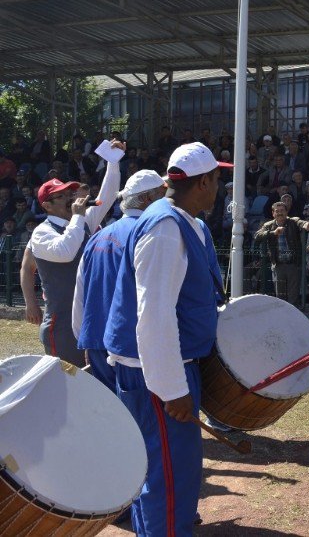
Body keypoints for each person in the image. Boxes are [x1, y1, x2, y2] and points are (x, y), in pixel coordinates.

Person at [104, 142, 230, 536]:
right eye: (218, 178)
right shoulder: (164, 228)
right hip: (156, 374)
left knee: (165, 473)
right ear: (204, 182)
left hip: (164, 368)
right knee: (169, 479)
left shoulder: (180, 220)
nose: (220, 186)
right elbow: (154, 316)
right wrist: (171, 388)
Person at [23, 140, 123, 366]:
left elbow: (107, 197)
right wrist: (78, 217)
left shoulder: (81, 221)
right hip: (62, 325)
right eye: (62, 195)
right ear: (46, 206)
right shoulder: (42, 232)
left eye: (70, 192)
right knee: (67, 387)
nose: (70, 197)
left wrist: (113, 163)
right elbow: (65, 252)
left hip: (91, 317)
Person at [71, 170, 166, 392]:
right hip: (133, 349)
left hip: (97, 341)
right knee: (140, 420)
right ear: (148, 199)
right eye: (163, 194)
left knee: (112, 418)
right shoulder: (152, 234)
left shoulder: (96, 237)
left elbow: (80, 293)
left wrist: (85, 336)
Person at [254, 201, 309, 307]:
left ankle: (293, 321)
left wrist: (306, 224)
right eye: (277, 211)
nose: (280, 213)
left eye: (282, 211)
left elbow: (301, 222)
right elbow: (257, 235)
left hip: (293, 264)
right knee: (280, 297)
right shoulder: (268, 225)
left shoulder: (293, 221)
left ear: (287, 212)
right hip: (278, 265)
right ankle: (281, 321)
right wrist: (273, 233)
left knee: (293, 298)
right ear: (273, 213)